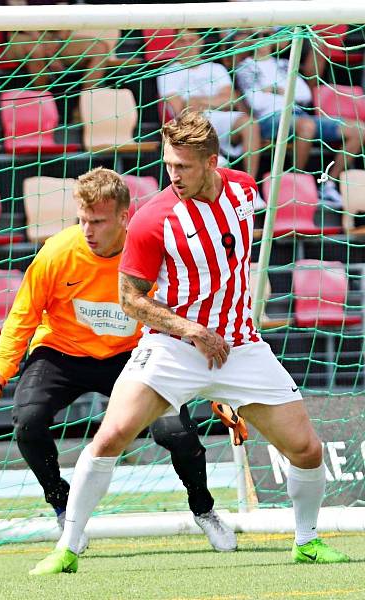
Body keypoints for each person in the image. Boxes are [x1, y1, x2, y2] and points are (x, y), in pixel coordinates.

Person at [30, 111, 351, 576]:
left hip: (240, 345)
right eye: (168, 164)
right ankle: (68, 548)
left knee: (307, 450)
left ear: (211, 161)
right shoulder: (151, 219)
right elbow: (129, 300)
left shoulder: (244, 190)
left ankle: (307, 542)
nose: (173, 175)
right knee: (111, 436)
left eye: (183, 166)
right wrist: (191, 330)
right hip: (175, 347)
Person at [0, 166, 238, 555]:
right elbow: (22, 316)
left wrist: (212, 390)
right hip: (62, 353)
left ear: (125, 218)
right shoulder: (56, 253)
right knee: (28, 422)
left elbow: (182, 318)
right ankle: (61, 504)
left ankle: (205, 511)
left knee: (175, 432)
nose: (87, 230)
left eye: (98, 221)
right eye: (82, 219)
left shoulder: (155, 253)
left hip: (134, 355)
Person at [235, 32, 363, 207]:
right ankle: (298, 184)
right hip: (269, 119)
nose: (263, 40)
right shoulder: (245, 67)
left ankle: (328, 183)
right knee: (306, 126)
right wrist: (285, 90)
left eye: (267, 35)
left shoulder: (285, 64)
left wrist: (272, 89)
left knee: (357, 129)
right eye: (257, 35)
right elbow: (256, 102)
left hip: (299, 115)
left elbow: (304, 95)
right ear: (249, 40)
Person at [157, 28, 262, 179]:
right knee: (194, 114)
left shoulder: (216, 68)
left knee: (249, 123)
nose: (187, 45)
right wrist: (213, 100)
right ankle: (217, 159)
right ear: (175, 44)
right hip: (190, 123)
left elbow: (231, 99)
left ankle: (249, 182)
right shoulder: (167, 72)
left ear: (201, 42)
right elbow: (180, 108)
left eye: (191, 40)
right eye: (182, 41)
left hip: (220, 118)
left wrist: (199, 101)